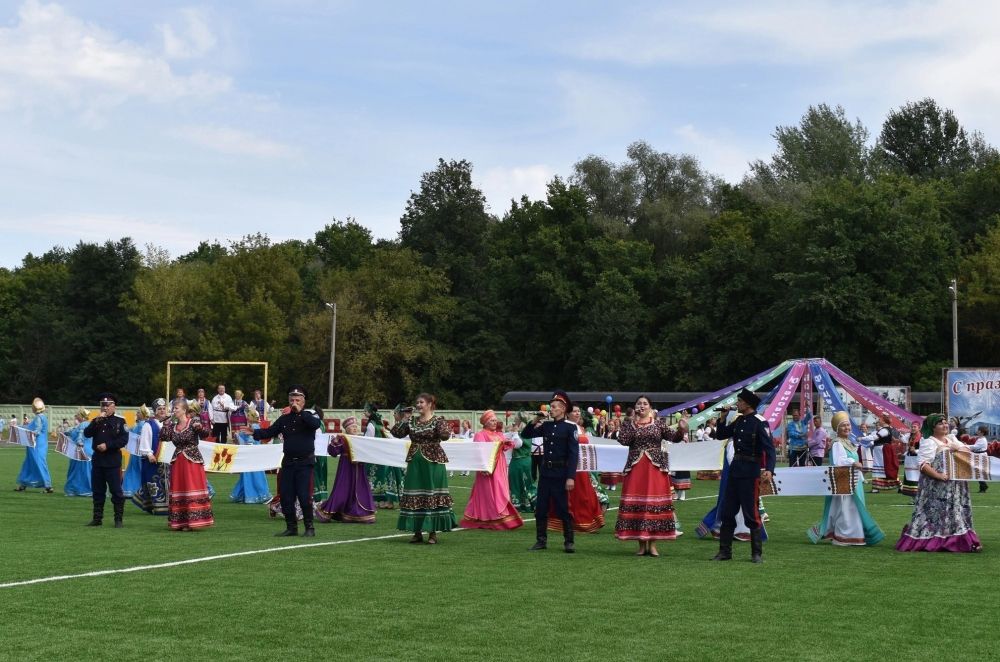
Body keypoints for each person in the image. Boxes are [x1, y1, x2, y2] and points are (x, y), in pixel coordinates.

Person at [896, 414, 982, 552]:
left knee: (956, 511)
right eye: (940, 423)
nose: (945, 425)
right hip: (936, 486)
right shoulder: (929, 442)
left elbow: (967, 452)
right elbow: (923, 465)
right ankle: (936, 540)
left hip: (955, 485)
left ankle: (959, 540)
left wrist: (956, 447)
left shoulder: (951, 438)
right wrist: (938, 475)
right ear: (933, 427)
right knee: (935, 513)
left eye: (945, 423)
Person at [710, 388, 775, 563]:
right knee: (727, 513)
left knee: (751, 514)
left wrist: (769, 469)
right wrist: (722, 419)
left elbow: (770, 449)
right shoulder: (738, 421)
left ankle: (756, 553)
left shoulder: (760, 422)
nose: (736, 404)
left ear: (747, 403)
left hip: (750, 472)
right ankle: (725, 552)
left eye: (739, 401)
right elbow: (721, 435)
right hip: (735, 471)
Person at [615, 396, 682, 557]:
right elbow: (623, 440)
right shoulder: (630, 423)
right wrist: (630, 420)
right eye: (639, 403)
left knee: (653, 504)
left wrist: (682, 430)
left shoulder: (658, 423)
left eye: (645, 404)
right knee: (638, 503)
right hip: (636, 469)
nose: (642, 406)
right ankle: (641, 544)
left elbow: (674, 438)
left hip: (655, 469)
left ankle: (652, 544)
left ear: (651, 408)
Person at [807, 412, 884, 546]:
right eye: (843, 426)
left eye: (848, 425)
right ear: (837, 429)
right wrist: (853, 463)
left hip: (853, 480)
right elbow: (838, 461)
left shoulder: (848, 442)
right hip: (844, 481)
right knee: (846, 508)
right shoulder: (837, 443)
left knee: (851, 507)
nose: (847, 428)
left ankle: (853, 534)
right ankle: (845, 536)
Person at [254, 385, 322, 537]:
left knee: (304, 497)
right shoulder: (284, 419)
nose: (294, 402)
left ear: (303, 401)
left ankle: (309, 528)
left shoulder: (310, 417)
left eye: (297, 399)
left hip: (305, 463)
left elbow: (315, 425)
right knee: (286, 497)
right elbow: (270, 431)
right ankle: (291, 528)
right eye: (292, 400)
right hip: (289, 463)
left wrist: (301, 412)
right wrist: (254, 432)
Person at [390, 393, 457, 543]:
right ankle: (417, 532)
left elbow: (445, 436)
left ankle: (433, 533)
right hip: (415, 462)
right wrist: (405, 418)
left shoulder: (438, 420)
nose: (418, 405)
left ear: (430, 404)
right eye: (417, 402)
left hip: (433, 463)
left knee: (431, 493)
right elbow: (396, 433)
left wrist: (443, 427)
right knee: (415, 493)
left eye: (421, 402)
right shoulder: (412, 421)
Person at [520, 391, 580, 553]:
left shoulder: (570, 428)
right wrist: (536, 419)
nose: (550, 409)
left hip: (561, 473)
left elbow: (574, 454)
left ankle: (569, 541)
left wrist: (570, 477)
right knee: (541, 508)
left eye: (553, 407)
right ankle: (541, 540)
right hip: (546, 473)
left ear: (562, 409)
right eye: (551, 407)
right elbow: (526, 434)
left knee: (563, 508)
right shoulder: (546, 426)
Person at [460, 410, 523, 530]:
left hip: (500, 466)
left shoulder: (499, 434)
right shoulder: (480, 434)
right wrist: (483, 467)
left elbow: (509, 446)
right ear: (485, 422)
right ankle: (491, 518)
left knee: (501, 491)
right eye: (492, 420)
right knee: (488, 492)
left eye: (495, 420)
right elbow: (479, 451)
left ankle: (500, 516)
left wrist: (510, 438)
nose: (495, 422)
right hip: (488, 468)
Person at [161, 400, 214, 531]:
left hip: (192, 462)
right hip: (178, 462)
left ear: (184, 410)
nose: (174, 410)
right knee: (180, 489)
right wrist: (166, 422)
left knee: (191, 487)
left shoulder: (193, 423)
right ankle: (180, 521)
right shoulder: (173, 426)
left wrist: (200, 427)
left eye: (176, 408)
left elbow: (206, 434)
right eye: (174, 408)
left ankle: (192, 521)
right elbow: (163, 437)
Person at [83, 393, 130, 527]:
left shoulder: (120, 421)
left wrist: (107, 445)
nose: (105, 408)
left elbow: (123, 440)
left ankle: (118, 519)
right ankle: (97, 518)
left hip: (112, 461)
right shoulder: (97, 420)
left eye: (107, 405)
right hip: (98, 461)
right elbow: (87, 433)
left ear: (114, 406)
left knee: (116, 491)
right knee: (98, 491)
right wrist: (97, 420)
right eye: (102, 405)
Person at [317, 416, 376, 523]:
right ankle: (327, 511)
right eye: (352, 426)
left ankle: (356, 513)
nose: (355, 428)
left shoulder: (361, 438)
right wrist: (334, 442)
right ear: (347, 429)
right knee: (343, 490)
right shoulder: (343, 438)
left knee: (360, 489)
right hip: (346, 468)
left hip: (360, 468)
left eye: (356, 426)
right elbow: (333, 452)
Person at [131, 398, 172, 515]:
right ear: (155, 411)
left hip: (167, 460)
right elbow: (144, 442)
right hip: (153, 460)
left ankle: (169, 506)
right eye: (159, 409)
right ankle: (157, 507)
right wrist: (149, 454)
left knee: (168, 482)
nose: (162, 411)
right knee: (154, 483)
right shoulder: (149, 425)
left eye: (164, 408)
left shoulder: (170, 424)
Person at [230, 407, 272, 505]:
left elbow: (250, 441)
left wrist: (238, 436)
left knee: (255, 475)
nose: (246, 417)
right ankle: (248, 495)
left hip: (253, 455)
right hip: (252, 454)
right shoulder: (254, 426)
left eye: (248, 415)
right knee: (249, 475)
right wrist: (239, 435)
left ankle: (261, 495)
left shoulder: (254, 427)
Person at [366, 403, 404, 509]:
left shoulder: (403, 425)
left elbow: (398, 439)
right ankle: (390, 502)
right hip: (395, 454)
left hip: (399, 454)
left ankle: (399, 502)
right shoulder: (397, 424)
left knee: (398, 478)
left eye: (395, 413)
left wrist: (387, 434)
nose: (393, 415)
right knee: (393, 478)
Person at [14, 397, 52, 493]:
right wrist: (19, 427)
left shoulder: (38, 417)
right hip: (39, 444)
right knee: (29, 463)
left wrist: (20, 428)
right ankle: (23, 484)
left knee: (38, 463)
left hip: (36, 444)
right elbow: (31, 427)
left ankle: (48, 486)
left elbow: (37, 431)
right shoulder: (43, 417)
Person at [507, 420, 536, 513]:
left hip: (523, 461)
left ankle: (530, 504)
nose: (513, 426)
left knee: (526, 483)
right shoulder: (516, 435)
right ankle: (517, 505)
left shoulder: (525, 435)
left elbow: (517, 445)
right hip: (515, 461)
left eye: (515, 425)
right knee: (514, 483)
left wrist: (515, 432)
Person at [63, 407, 93, 497]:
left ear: (81, 416)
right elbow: (71, 431)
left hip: (81, 450)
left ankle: (81, 490)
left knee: (78, 472)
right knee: (86, 471)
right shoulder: (89, 424)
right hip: (89, 451)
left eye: (77, 414)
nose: (76, 416)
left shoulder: (83, 425)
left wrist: (79, 442)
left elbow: (80, 434)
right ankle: (86, 489)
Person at [121, 405, 148, 498]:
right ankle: (134, 490)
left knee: (135, 471)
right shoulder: (140, 424)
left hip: (139, 453)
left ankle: (132, 490)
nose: (137, 414)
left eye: (138, 412)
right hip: (136, 452)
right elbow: (129, 430)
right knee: (136, 471)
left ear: (143, 414)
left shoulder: (142, 424)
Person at [871, 413, 902, 492]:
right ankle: (875, 487)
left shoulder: (885, 430)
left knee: (886, 468)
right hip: (880, 450)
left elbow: (876, 437)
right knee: (880, 467)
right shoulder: (885, 429)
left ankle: (899, 485)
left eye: (880, 420)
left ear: (884, 421)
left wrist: (862, 439)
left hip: (883, 450)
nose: (879, 421)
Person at [898, 421, 921, 499]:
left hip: (916, 459)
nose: (913, 428)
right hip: (909, 460)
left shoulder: (922, 437)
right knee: (909, 477)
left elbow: (923, 449)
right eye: (912, 427)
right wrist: (901, 433)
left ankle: (917, 496)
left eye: (915, 427)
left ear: (919, 428)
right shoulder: (909, 436)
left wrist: (916, 451)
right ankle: (913, 498)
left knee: (916, 477)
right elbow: (903, 440)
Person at [971, 425, 989, 493]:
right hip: (978, 455)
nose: (977, 431)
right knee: (977, 472)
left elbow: (975, 447)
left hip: (981, 456)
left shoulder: (983, 440)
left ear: (982, 432)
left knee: (978, 472)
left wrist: (966, 446)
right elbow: (975, 447)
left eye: (978, 430)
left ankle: (983, 486)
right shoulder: (980, 439)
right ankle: (983, 486)